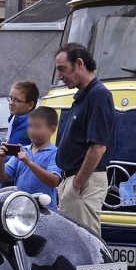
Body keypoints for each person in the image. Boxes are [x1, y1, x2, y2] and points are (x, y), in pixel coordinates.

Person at [54, 43, 116, 237]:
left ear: (79, 64)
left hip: (84, 183)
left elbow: (98, 147)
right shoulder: (86, 95)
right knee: (74, 244)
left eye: (62, 69)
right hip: (77, 181)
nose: (59, 76)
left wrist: (77, 184)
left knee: (84, 246)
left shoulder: (98, 94)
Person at [0, 106, 62, 207]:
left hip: (46, 209)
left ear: (52, 130)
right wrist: (1, 161)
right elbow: (0, 178)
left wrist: (29, 163)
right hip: (21, 208)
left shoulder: (55, 153)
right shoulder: (23, 150)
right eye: (29, 126)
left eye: (37, 127)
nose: (32, 130)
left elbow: (54, 181)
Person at [6, 81, 38, 146]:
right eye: (10, 98)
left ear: (30, 105)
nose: (11, 103)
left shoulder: (33, 125)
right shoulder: (13, 119)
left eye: (17, 100)